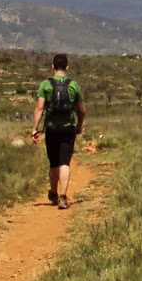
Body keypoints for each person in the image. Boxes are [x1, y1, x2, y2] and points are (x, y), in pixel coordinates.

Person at [30, 53, 94, 208]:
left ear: (52, 67)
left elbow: (39, 108)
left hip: (51, 128)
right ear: (67, 67)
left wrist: (34, 129)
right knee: (65, 162)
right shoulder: (74, 85)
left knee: (53, 163)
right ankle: (63, 197)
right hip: (68, 128)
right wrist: (79, 125)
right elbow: (81, 110)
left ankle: (53, 192)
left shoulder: (45, 85)